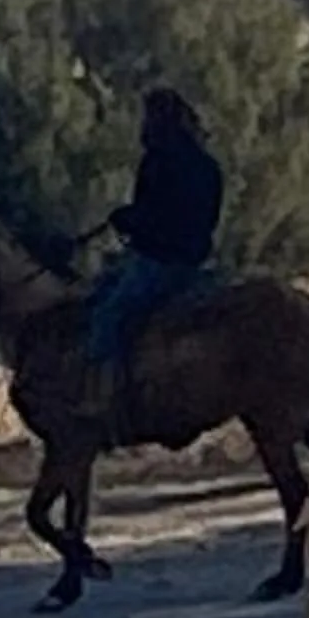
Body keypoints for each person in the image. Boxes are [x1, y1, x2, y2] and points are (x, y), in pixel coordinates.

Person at [79, 87, 224, 422]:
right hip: (196, 260)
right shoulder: (207, 165)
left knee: (107, 313)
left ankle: (101, 396)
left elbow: (153, 214)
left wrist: (125, 218)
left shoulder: (158, 161)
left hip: (160, 260)